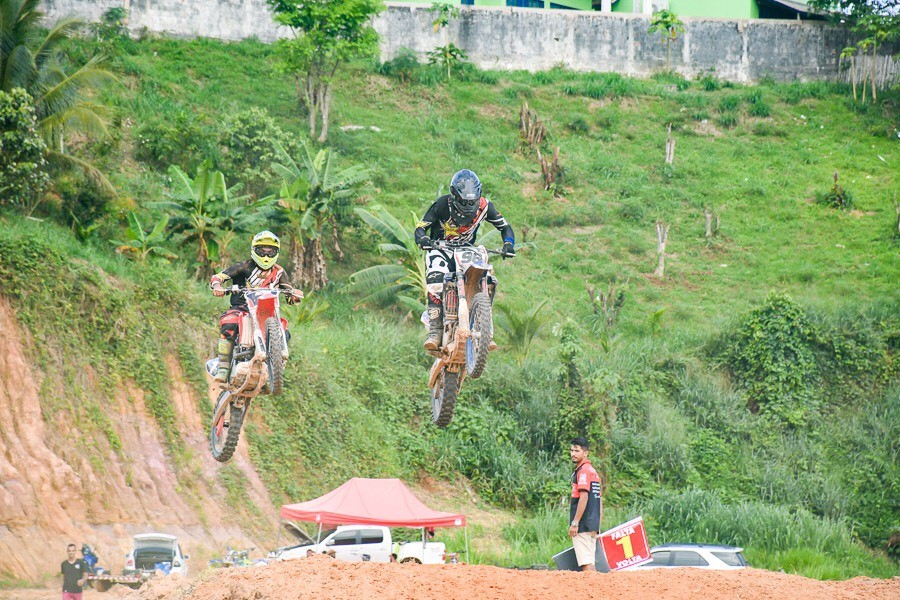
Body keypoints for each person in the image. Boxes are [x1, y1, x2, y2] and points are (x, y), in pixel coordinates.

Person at [414, 169, 516, 352]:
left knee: (487, 279)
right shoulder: (442, 204)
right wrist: (423, 239)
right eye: (464, 202)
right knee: (436, 278)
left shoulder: (485, 207)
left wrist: (508, 244)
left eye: (472, 202)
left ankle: (484, 329)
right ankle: (435, 330)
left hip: (467, 250)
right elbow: (421, 227)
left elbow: (505, 227)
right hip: (440, 247)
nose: (468, 206)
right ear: (454, 196)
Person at [209, 230, 304, 382]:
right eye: (262, 251)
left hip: (267, 312)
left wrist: (293, 296)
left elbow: (288, 291)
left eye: (271, 251)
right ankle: (223, 367)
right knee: (229, 324)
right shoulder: (243, 266)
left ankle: (274, 369)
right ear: (254, 250)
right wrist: (217, 286)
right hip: (242, 308)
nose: (266, 256)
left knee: (285, 333)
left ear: (277, 252)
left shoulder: (279, 272)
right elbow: (219, 277)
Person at [568, 436, 602, 572]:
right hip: (592, 523)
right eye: (571, 450)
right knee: (589, 561)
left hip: (583, 524)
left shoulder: (583, 472)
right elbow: (599, 500)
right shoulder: (593, 471)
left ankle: (594, 592)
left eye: (577, 451)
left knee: (586, 563)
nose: (573, 454)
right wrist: (598, 522)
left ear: (585, 453)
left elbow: (584, 497)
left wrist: (575, 523)